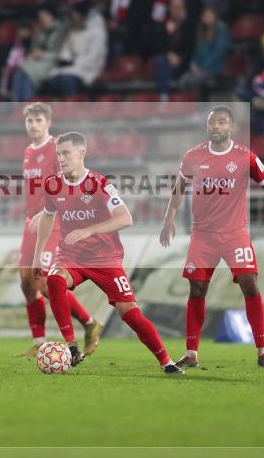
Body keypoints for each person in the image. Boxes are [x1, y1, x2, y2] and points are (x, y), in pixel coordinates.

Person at [160, 106, 264, 369]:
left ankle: (263, 351)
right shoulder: (193, 156)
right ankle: (191, 353)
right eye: (212, 122)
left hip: (235, 233)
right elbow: (179, 188)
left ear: (231, 127)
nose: (216, 126)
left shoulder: (245, 157)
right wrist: (169, 219)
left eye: (222, 122)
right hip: (202, 235)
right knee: (197, 289)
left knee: (249, 283)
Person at [34, 132, 184, 375]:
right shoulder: (53, 185)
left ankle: (166, 361)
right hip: (71, 256)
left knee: (130, 314)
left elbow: (126, 218)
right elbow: (48, 217)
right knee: (54, 279)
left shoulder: (99, 184)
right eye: (58, 153)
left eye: (66, 153)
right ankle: (72, 347)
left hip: (105, 258)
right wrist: (37, 255)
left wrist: (88, 230)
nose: (60, 158)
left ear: (82, 153)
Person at [17, 104, 102, 357]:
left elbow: (68, 181)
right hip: (30, 223)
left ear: (48, 123)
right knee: (26, 282)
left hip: (52, 223)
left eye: (38, 120)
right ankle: (39, 342)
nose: (33, 124)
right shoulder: (28, 152)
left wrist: (46, 211)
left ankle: (89, 323)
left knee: (44, 282)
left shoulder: (56, 151)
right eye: (29, 120)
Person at [42, 0, 107, 97]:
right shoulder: (73, 31)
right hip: (69, 68)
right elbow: (66, 51)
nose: (71, 18)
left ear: (81, 16)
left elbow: (93, 58)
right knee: (50, 80)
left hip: (88, 69)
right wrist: (65, 59)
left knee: (66, 80)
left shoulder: (97, 33)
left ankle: (72, 108)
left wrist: (75, 62)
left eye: (74, 15)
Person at [10, 7, 68, 102]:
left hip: (52, 62)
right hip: (37, 62)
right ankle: (17, 104)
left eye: (44, 17)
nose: (42, 20)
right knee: (20, 71)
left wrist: (42, 55)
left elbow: (61, 53)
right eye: (41, 18)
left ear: (51, 16)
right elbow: (34, 47)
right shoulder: (40, 31)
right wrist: (33, 53)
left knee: (26, 71)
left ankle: (27, 104)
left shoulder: (61, 31)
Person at [177, 7, 232, 101]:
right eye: (205, 16)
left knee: (195, 81)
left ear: (215, 16)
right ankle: (186, 109)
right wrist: (193, 64)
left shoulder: (221, 30)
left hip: (213, 68)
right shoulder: (201, 31)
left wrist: (202, 68)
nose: (207, 18)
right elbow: (196, 52)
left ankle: (198, 110)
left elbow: (218, 53)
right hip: (198, 69)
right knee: (183, 80)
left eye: (209, 15)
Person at [150, 0, 196, 101]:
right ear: (169, 8)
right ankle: (164, 97)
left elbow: (193, 48)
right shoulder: (163, 25)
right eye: (173, 7)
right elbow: (157, 45)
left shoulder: (191, 25)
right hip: (167, 62)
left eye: (179, 7)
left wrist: (180, 59)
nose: (176, 10)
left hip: (184, 65)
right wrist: (169, 54)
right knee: (161, 61)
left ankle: (163, 97)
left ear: (184, 9)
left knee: (162, 65)